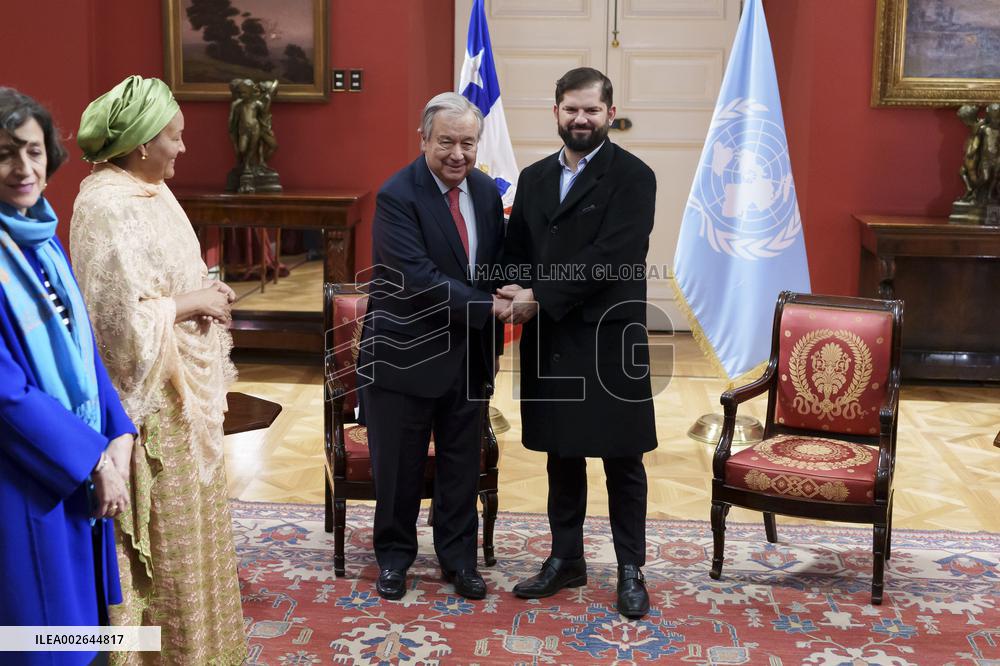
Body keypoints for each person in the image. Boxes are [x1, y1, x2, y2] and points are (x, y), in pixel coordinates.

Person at [70, 75, 246, 665]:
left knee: (196, 539)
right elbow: (117, 328)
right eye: (175, 137)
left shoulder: (152, 190)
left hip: (185, 405)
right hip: (147, 412)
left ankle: (203, 651)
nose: (182, 148)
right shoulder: (106, 206)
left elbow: (170, 280)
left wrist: (206, 292)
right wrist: (195, 304)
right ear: (143, 143)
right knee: (165, 553)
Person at [499, 67, 657, 619]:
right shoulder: (535, 177)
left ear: (610, 114)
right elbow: (517, 247)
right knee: (561, 456)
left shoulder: (635, 177)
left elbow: (612, 256)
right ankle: (566, 560)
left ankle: (631, 569)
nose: (581, 119)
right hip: (551, 340)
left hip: (609, 339)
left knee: (622, 460)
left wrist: (536, 294)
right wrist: (508, 285)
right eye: (571, 109)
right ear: (556, 112)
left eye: (592, 110)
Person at [0, 86, 135, 665]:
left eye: (33, 151)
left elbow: (86, 354)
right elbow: (6, 395)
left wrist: (120, 432)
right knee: (40, 643)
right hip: (25, 482)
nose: (22, 167)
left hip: (76, 472)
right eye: (5, 153)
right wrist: (91, 459)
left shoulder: (44, 242)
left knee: (83, 637)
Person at [358, 92, 507, 601]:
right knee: (397, 468)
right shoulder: (398, 194)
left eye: (468, 143)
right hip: (405, 353)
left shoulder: (485, 191)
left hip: (469, 356)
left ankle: (458, 560)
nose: (458, 154)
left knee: (461, 466)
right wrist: (489, 307)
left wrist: (515, 288)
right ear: (423, 139)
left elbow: (492, 264)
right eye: (446, 141)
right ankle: (395, 559)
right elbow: (415, 276)